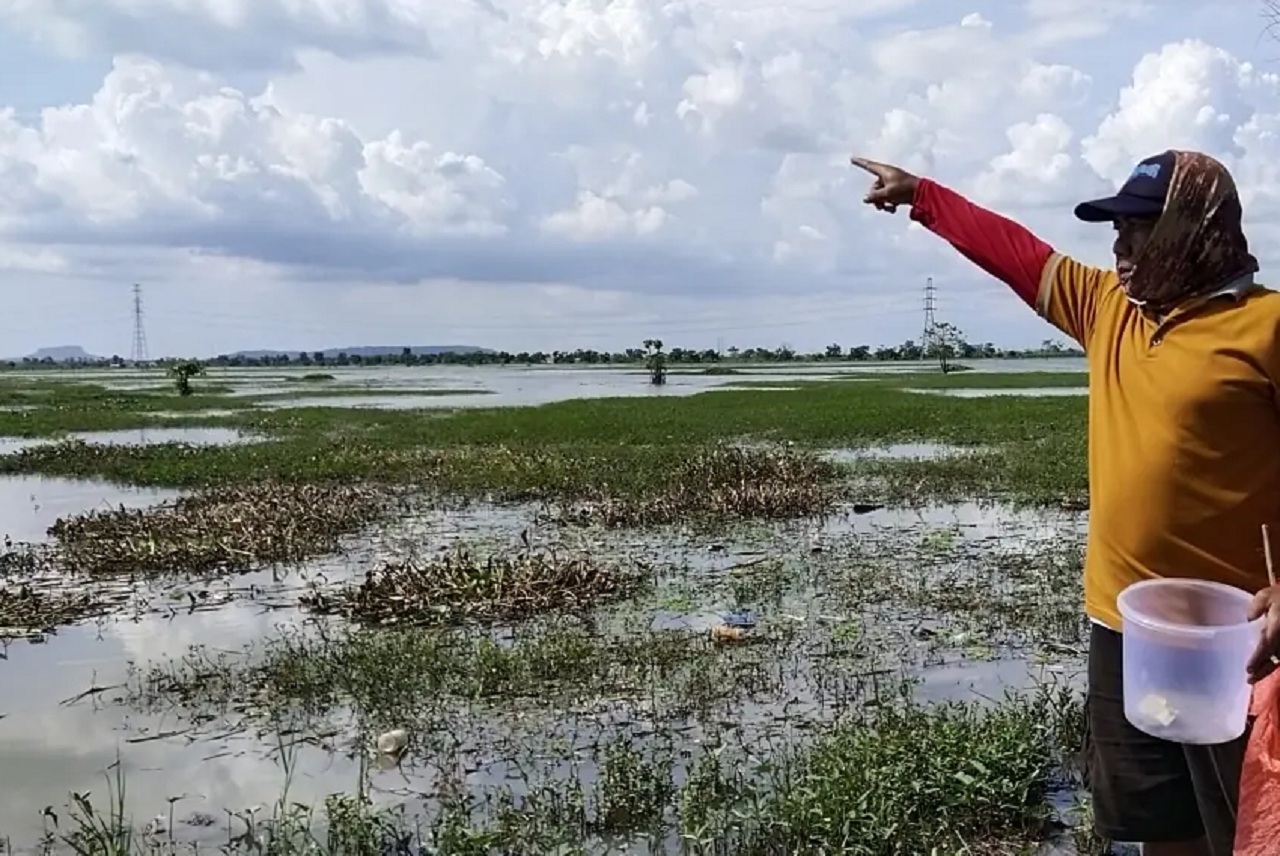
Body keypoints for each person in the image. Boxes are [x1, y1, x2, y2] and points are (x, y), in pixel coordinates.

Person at [849, 149, 1280, 856]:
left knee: (1251, 827)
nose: (1121, 247)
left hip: (1237, 639)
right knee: (1158, 825)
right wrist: (923, 194)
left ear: (1195, 229)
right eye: (1116, 229)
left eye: (1141, 228)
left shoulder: (1265, 327)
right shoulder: (1108, 309)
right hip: (1126, 627)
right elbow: (1016, 253)